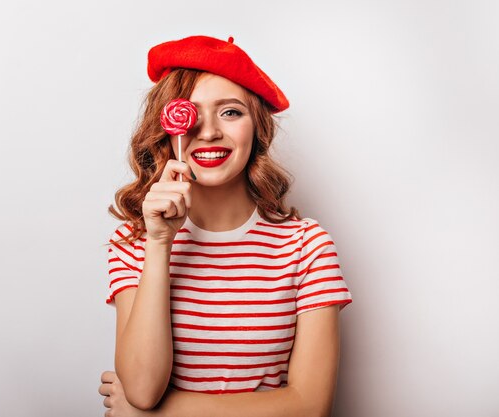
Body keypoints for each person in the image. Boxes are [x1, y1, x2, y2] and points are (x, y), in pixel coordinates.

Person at [98, 35, 352, 417]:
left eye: (230, 112)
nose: (210, 131)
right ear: (167, 126)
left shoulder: (306, 246)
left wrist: (161, 414)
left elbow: (309, 406)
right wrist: (160, 243)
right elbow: (142, 387)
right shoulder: (135, 243)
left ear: (257, 127)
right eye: (191, 113)